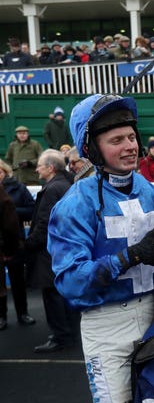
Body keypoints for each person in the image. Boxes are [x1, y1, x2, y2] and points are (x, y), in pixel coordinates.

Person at [48, 93, 154, 402]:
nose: (130, 146)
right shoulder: (74, 205)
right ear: (90, 149)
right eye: (116, 140)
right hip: (106, 325)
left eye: (131, 137)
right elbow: (70, 282)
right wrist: (128, 257)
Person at [25, 149, 79, 353]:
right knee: (62, 294)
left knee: (52, 296)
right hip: (63, 250)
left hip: (50, 253)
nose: (37, 169)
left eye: (40, 165)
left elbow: (45, 223)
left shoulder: (51, 189)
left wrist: (28, 245)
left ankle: (61, 337)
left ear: (50, 168)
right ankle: (69, 333)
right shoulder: (65, 185)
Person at [0, 159, 34, 331]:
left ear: (6, 172)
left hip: (14, 240)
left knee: (18, 281)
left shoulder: (18, 188)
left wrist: (12, 211)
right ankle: (1, 316)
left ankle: (23, 313)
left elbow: (31, 209)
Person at [0, 182, 21, 331]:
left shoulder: (4, 197)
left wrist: (9, 250)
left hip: (6, 246)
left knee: (17, 280)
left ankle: (21, 313)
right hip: (7, 245)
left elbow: (10, 225)